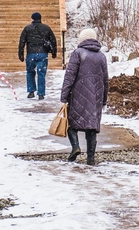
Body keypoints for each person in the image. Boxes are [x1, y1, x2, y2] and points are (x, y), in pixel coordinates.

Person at [60, 28, 109, 166]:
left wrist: (64, 96)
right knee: (92, 127)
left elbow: (69, 76)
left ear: (82, 39)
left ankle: (75, 146)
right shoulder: (102, 56)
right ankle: (91, 158)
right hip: (96, 97)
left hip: (78, 95)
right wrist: (104, 99)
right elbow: (106, 80)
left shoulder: (78, 53)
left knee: (71, 123)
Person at [18, 12, 57, 100]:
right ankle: (41, 93)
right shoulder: (46, 28)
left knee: (30, 72)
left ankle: (31, 91)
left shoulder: (27, 28)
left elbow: (22, 42)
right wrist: (54, 52)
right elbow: (53, 41)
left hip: (31, 53)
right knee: (41, 74)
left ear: (32, 19)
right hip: (43, 54)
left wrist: (20, 54)